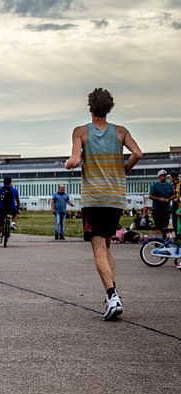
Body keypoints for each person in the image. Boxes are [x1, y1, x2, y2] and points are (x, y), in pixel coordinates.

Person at [65, 87, 143, 321]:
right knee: (107, 246)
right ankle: (112, 293)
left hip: (94, 198)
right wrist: (123, 170)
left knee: (98, 247)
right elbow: (138, 153)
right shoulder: (120, 132)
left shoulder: (80, 132)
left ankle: (112, 296)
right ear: (109, 108)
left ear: (90, 107)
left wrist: (68, 163)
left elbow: (76, 159)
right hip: (115, 197)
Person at [0, 176, 20, 243]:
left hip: (2, 209)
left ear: (3, 182)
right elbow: (18, 200)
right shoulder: (14, 190)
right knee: (16, 213)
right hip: (11, 208)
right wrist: (18, 207)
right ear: (10, 182)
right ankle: (13, 223)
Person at [149, 169, 175, 237]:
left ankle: (164, 242)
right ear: (159, 177)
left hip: (166, 209)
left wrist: (168, 199)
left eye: (165, 176)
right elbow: (150, 196)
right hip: (157, 209)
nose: (165, 177)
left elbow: (173, 195)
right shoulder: (155, 185)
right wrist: (159, 199)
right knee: (158, 227)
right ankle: (158, 242)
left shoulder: (169, 185)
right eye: (163, 176)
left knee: (165, 227)